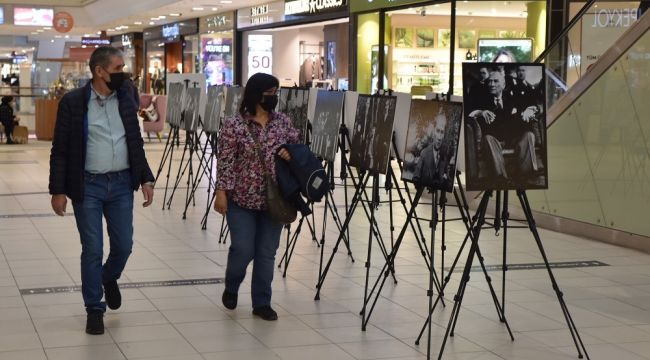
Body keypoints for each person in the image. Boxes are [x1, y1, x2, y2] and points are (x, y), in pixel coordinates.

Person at [49, 46, 155, 335]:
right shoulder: (73, 102)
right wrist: (57, 190)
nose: (124, 74)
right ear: (99, 71)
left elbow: (135, 142)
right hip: (89, 186)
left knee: (124, 246)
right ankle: (94, 308)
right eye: (118, 69)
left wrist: (146, 178)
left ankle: (108, 277)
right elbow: (60, 150)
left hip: (121, 184)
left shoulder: (125, 97)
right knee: (93, 249)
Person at [214, 72, 299, 321]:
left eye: (276, 93)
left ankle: (262, 302)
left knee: (266, 252)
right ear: (255, 94)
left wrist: (290, 154)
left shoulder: (282, 122)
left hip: (275, 200)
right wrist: (221, 193)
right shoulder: (235, 125)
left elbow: (298, 148)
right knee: (242, 249)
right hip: (241, 199)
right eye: (269, 93)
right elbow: (226, 162)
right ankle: (232, 285)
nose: (274, 98)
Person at [468, 69, 538, 186]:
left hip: (513, 137)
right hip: (495, 139)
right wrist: (481, 112)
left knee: (529, 135)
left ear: (503, 84)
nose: (491, 84)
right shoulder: (481, 98)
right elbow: (468, 112)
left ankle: (527, 177)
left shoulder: (512, 96)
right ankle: (501, 178)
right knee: (487, 139)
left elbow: (532, 106)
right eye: (490, 81)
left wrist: (528, 110)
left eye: (495, 81)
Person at [414, 112, 450, 188]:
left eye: (442, 132)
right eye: (438, 131)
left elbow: (447, 178)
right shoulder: (424, 153)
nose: (439, 137)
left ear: (444, 134)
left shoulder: (445, 154)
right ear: (433, 131)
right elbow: (416, 177)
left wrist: (445, 180)